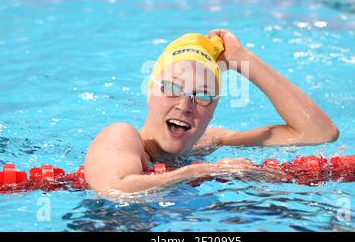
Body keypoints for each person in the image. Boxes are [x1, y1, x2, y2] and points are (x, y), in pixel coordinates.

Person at [84, 29, 339, 195]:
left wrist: (243, 58)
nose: (185, 105)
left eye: (203, 96)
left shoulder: (208, 142)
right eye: (172, 88)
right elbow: (115, 189)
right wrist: (203, 171)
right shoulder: (121, 136)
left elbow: (319, 133)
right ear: (151, 92)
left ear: (214, 108)